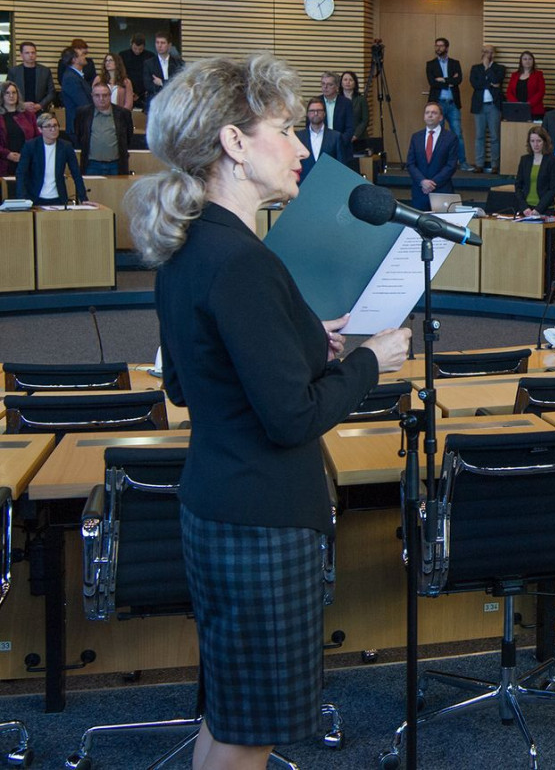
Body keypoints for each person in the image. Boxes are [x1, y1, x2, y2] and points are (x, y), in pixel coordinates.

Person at [124, 52, 410, 770]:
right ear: (234, 142)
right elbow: (291, 417)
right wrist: (372, 359)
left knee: (229, 718)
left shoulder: (190, 247)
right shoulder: (244, 260)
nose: (303, 146)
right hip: (262, 525)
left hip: (216, 505)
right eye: (284, 128)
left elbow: (191, 383)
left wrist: (307, 339)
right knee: (249, 735)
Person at [15, 113, 86, 204]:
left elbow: (76, 174)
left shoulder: (66, 146)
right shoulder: (31, 146)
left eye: (55, 126)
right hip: (34, 197)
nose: (53, 129)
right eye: (48, 126)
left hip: (58, 198)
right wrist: (22, 198)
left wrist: (83, 199)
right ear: (40, 129)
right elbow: (21, 173)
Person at [406, 102, 459, 211]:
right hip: (420, 191)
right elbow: (411, 164)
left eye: (434, 113)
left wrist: (432, 183)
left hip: (442, 190)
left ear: (441, 117)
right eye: (427, 113)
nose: (430, 115)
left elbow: (451, 165)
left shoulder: (450, 137)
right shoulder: (416, 137)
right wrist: (422, 182)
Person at [75, 81, 134, 175]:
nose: (101, 98)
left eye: (105, 95)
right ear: (92, 96)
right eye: (97, 95)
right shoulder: (83, 113)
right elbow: (79, 135)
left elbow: (128, 137)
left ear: (110, 95)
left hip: (116, 165)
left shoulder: (123, 114)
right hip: (91, 164)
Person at [426, 37, 466, 169]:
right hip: (438, 104)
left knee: (457, 134)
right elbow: (432, 82)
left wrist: (442, 80)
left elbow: (458, 80)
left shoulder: (455, 63)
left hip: (453, 103)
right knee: (439, 134)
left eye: (441, 46)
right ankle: (440, 163)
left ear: (447, 48)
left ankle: (463, 162)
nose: (438, 48)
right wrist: (449, 81)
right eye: (436, 45)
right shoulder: (430, 64)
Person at [297, 96, 352, 181]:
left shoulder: (336, 137)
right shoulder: (299, 137)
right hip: (304, 186)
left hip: (328, 184)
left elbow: (341, 167)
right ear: (307, 114)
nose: (315, 113)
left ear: (324, 113)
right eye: (312, 111)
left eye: (319, 111)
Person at [468, 45, 505, 173]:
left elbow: (497, 79)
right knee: (479, 136)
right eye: (484, 52)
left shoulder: (499, 68)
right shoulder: (475, 68)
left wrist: (488, 69)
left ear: (494, 54)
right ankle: (479, 164)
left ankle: (495, 165)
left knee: (495, 136)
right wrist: (491, 83)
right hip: (479, 105)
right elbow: (475, 84)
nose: (487, 54)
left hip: (494, 106)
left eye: (489, 52)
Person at [514, 125, 555, 216]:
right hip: (526, 209)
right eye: (532, 141)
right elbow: (518, 186)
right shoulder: (525, 160)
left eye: (539, 141)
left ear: (545, 142)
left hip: (545, 209)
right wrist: (524, 207)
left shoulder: (552, 160)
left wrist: (538, 209)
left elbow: (553, 188)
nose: (536, 144)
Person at [0, 81, 38, 176]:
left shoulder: (29, 115)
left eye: (14, 92)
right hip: (4, 163)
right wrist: (7, 154)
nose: (11, 96)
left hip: (26, 161)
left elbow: (37, 138)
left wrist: (27, 155)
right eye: (7, 93)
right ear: (2, 96)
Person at [6, 41, 54, 113]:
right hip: (19, 110)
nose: (31, 55)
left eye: (33, 52)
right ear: (21, 55)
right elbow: (7, 92)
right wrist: (21, 104)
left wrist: (40, 105)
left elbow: (51, 92)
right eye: (27, 53)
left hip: (40, 110)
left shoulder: (45, 71)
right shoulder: (14, 71)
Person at [144, 32, 184, 110]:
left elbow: (180, 84)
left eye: (163, 43)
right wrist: (169, 84)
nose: (159, 45)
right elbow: (148, 85)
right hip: (155, 101)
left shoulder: (178, 63)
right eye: (157, 42)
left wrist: (162, 82)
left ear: (169, 45)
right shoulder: (149, 63)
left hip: (173, 102)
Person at [506, 50, 546, 118]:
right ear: (521, 61)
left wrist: (527, 105)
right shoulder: (514, 75)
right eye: (525, 59)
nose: (527, 61)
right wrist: (517, 105)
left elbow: (541, 92)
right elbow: (509, 92)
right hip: (517, 110)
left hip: (534, 110)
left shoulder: (538, 74)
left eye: (530, 59)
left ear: (533, 61)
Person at [60, 46, 91, 127]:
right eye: (82, 55)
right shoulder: (71, 78)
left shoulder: (74, 76)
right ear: (74, 59)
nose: (85, 57)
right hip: (78, 125)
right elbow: (83, 103)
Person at [120, 34, 151, 108]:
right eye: (135, 48)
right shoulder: (122, 55)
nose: (137, 51)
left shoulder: (150, 56)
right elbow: (120, 73)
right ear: (131, 44)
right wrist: (130, 92)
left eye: (140, 49)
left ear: (144, 46)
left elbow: (151, 75)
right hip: (127, 90)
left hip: (144, 92)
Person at [339, 71, 368, 141]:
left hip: (360, 137)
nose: (348, 82)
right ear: (341, 83)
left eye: (351, 80)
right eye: (345, 80)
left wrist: (355, 135)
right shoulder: (337, 99)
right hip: (341, 138)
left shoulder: (361, 99)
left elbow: (365, 120)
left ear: (355, 83)